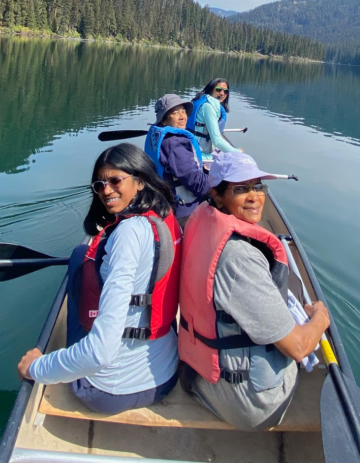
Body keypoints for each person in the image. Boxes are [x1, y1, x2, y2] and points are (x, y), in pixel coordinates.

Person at [17, 144, 181, 413]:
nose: (106, 190)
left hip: (109, 391)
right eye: (100, 185)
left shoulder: (127, 235)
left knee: (78, 263)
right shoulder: (165, 217)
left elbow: (100, 352)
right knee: (81, 255)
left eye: (115, 180)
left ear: (140, 181)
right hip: (166, 376)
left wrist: (36, 368)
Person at [177, 152, 330, 431]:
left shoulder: (199, 219)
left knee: (288, 285)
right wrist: (321, 318)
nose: (254, 197)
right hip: (251, 405)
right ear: (217, 195)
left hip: (194, 366)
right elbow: (298, 348)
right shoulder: (240, 258)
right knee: (298, 313)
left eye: (258, 186)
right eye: (241, 189)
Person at [143, 94, 211, 222]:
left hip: (163, 201)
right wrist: (215, 185)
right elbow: (195, 181)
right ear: (164, 120)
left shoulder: (158, 135)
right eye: (175, 113)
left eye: (183, 111)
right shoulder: (175, 143)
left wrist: (204, 172)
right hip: (184, 211)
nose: (182, 117)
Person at [187, 78, 241, 155]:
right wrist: (237, 152)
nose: (222, 93)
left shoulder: (202, 100)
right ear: (211, 90)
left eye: (226, 91)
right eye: (218, 89)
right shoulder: (208, 107)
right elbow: (217, 140)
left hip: (191, 145)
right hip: (199, 151)